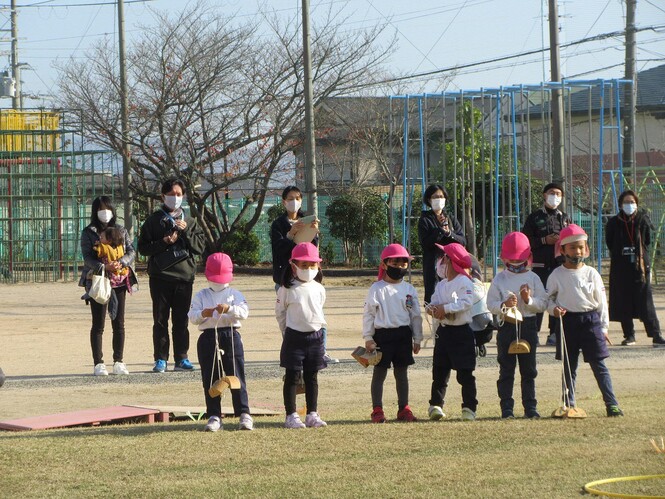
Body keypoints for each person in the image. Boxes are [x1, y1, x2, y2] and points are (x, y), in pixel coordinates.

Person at [546, 224, 624, 417]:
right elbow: (548, 300)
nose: (577, 251)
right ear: (562, 250)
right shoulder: (556, 275)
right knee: (568, 366)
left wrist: (604, 327)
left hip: (591, 322)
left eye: (581, 247)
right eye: (572, 247)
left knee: (599, 365)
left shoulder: (592, 273)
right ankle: (568, 404)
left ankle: (612, 404)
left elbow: (601, 303)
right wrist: (554, 310)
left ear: (586, 249)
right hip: (567, 323)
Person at [138, 178, 206, 373]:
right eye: (171, 194)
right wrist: (163, 242)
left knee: (181, 320)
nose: (175, 198)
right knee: (160, 320)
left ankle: (181, 357)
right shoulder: (153, 220)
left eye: (178, 194)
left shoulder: (190, 221)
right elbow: (143, 248)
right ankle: (160, 359)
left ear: (183, 196)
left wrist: (185, 233)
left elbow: (199, 247)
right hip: (160, 276)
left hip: (184, 277)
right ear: (163, 196)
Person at [270, 185, 338, 364]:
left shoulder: (306, 219)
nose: (295, 202)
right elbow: (279, 251)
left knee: (316, 314)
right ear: (284, 201)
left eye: (298, 198)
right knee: (288, 315)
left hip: (308, 278)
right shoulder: (278, 224)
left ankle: (320, 350)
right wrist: (291, 234)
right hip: (287, 277)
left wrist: (314, 232)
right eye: (291, 198)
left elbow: (312, 250)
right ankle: (291, 351)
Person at [189, 252, 253, 432]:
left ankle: (243, 413)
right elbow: (192, 317)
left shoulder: (234, 294)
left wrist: (229, 309)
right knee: (210, 376)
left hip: (231, 335)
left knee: (236, 375)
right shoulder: (201, 295)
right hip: (208, 336)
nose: (219, 282)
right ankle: (214, 414)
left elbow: (244, 312)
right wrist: (204, 313)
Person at [487, 232, 548, 419]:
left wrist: (528, 300)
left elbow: (543, 303)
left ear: (528, 258)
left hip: (528, 325)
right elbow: (490, 304)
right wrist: (504, 305)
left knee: (528, 369)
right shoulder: (499, 278)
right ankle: (507, 408)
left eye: (519, 261)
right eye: (511, 261)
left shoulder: (534, 278)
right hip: (507, 324)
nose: (515, 265)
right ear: (503, 259)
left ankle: (530, 407)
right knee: (506, 368)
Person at [363, 243, 423, 423]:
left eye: (403, 264)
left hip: (403, 335)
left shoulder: (409, 290)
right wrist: (368, 337)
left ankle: (403, 408)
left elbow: (415, 315)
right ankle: (377, 409)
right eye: (395, 263)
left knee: (401, 374)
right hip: (382, 336)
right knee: (379, 373)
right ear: (384, 264)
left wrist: (417, 337)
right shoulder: (376, 288)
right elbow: (369, 314)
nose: (399, 267)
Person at [79, 196, 138, 376]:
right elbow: (87, 256)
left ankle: (119, 361)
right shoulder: (88, 232)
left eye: (108, 208)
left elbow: (131, 250)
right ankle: (98, 363)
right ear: (95, 212)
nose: (105, 212)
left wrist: (121, 263)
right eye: (101, 209)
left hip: (119, 281)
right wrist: (104, 266)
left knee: (118, 322)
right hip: (98, 280)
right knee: (98, 323)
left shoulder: (121, 229)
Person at [275, 242, 329, 429]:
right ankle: (291, 415)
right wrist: (286, 332)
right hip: (293, 338)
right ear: (294, 266)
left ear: (318, 267)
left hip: (315, 337)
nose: (308, 269)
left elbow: (318, 310)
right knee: (292, 376)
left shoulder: (319, 288)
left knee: (312, 377)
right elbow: (280, 313)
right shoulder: (287, 289)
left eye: (312, 265)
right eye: (304, 265)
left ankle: (312, 414)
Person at [606, 190, 665, 347]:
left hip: (639, 267)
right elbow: (609, 242)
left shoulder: (642, 220)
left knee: (646, 301)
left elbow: (647, 241)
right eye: (626, 202)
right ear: (620, 204)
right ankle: (629, 335)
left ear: (637, 204)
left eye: (632, 202)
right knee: (623, 301)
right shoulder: (613, 222)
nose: (629, 205)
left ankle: (656, 335)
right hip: (621, 267)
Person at [426, 243, 478, 421]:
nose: (440, 261)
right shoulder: (441, 285)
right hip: (444, 332)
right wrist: (432, 308)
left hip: (462, 334)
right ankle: (435, 405)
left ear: (450, 260)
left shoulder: (464, 281)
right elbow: (434, 301)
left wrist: (446, 308)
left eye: (443, 257)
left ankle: (469, 407)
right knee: (439, 372)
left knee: (465, 373)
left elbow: (466, 302)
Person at [522, 182, 571, 346]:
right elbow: (525, 240)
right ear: (544, 195)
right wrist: (545, 240)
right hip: (539, 266)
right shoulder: (534, 217)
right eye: (552, 192)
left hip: (559, 266)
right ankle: (532, 333)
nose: (555, 196)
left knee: (556, 299)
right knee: (537, 299)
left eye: (558, 194)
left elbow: (571, 238)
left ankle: (554, 334)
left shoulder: (564, 218)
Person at [418, 184, 466, 303]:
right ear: (429, 200)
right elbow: (425, 243)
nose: (439, 199)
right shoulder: (425, 220)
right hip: (434, 266)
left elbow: (463, 240)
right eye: (435, 197)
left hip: (452, 266)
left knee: (453, 298)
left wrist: (449, 233)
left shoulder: (450, 219)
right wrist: (439, 231)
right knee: (435, 299)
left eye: (441, 196)